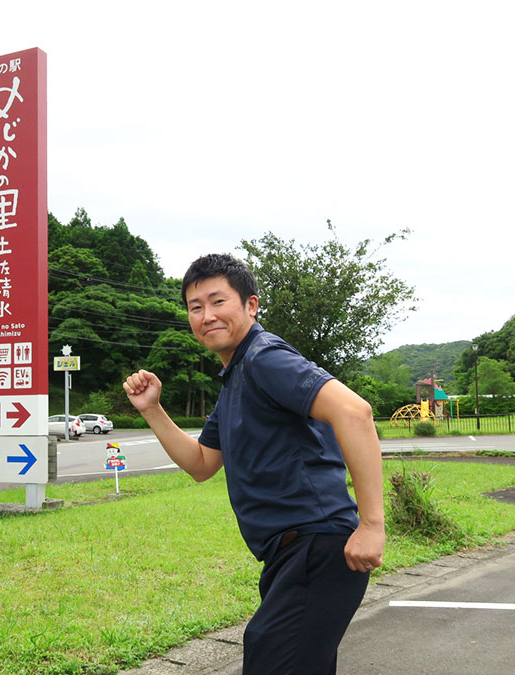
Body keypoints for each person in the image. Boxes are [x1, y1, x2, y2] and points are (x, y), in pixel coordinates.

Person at [123, 253, 385, 674]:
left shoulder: (264, 358)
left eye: (217, 301)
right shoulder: (236, 379)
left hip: (316, 547)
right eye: (195, 307)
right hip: (291, 555)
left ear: (251, 305)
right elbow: (202, 463)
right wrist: (152, 410)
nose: (206, 315)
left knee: (269, 655)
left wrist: (371, 525)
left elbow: (354, 413)